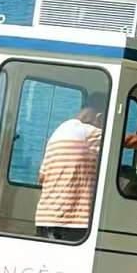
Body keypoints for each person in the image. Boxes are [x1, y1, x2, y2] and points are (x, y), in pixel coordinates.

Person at [35, 93, 107, 241]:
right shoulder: (88, 132)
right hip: (73, 222)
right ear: (99, 116)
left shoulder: (58, 132)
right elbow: (127, 141)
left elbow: (41, 177)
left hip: (44, 219)